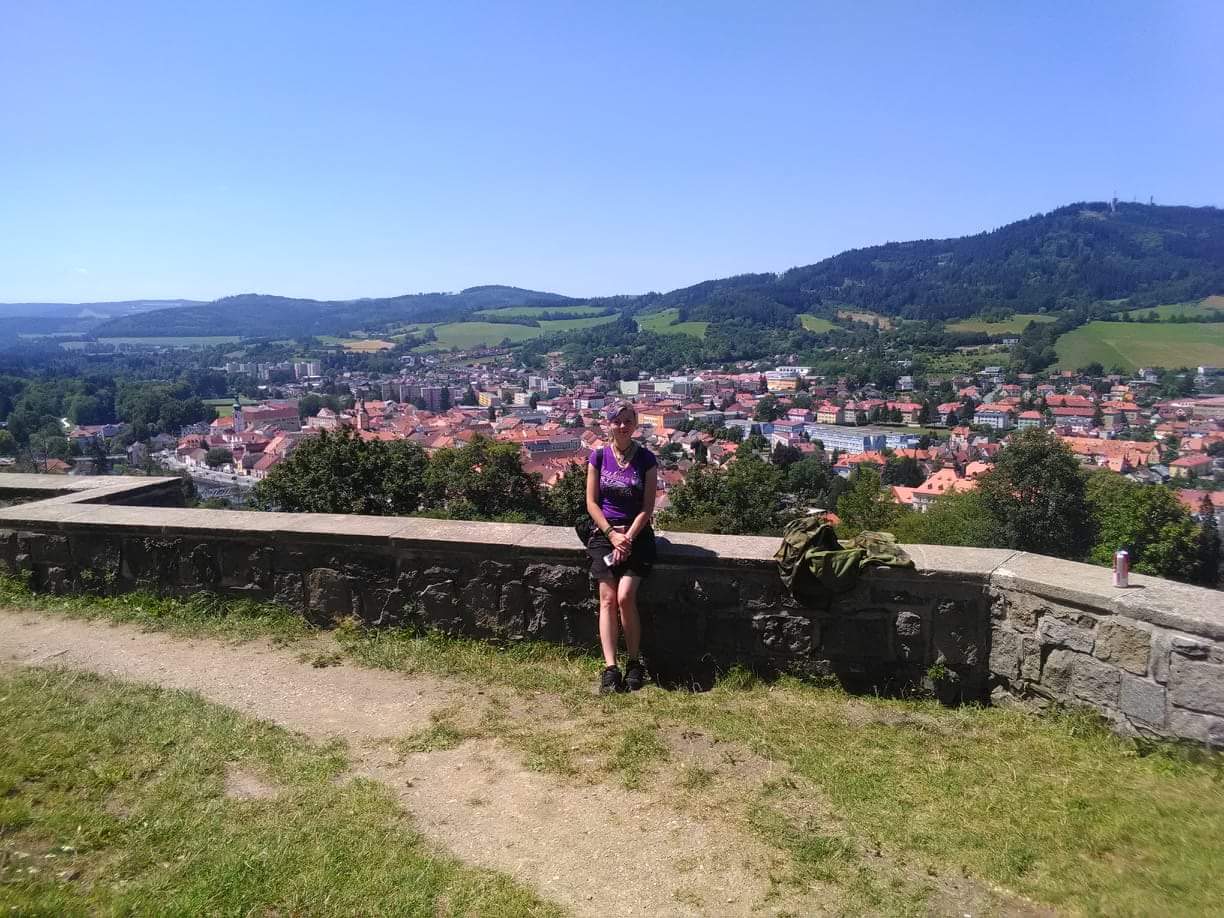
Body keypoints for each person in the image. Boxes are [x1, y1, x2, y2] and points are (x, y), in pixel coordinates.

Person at [585, 400, 658, 693]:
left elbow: (648, 507)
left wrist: (627, 538)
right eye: (617, 421)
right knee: (607, 598)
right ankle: (610, 667)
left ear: (635, 424)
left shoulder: (647, 459)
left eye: (628, 420)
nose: (623, 426)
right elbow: (592, 503)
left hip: (636, 534)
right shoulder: (598, 456)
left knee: (626, 597)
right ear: (609, 424)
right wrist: (612, 535)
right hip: (605, 534)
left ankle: (634, 662)